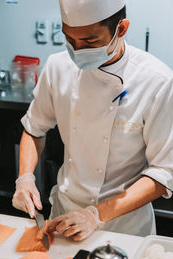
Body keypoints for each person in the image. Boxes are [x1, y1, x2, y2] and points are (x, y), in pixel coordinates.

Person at [12, 0, 173, 241]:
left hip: (124, 226)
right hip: (64, 216)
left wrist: (95, 215)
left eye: (90, 42)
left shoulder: (157, 81)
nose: (77, 52)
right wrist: (25, 177)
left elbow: (163, 172)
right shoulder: (57, 67)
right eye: (69, 39)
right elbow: (34, 129)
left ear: (121, 29)